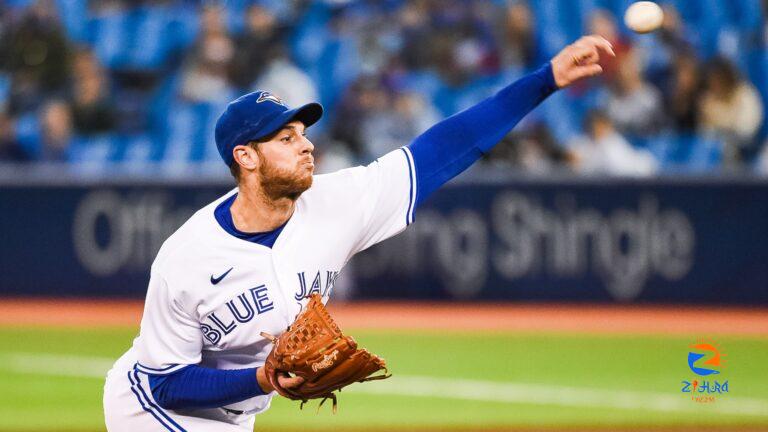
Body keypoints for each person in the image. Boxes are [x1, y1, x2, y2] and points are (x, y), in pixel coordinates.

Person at [103, 35, 614, 431]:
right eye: (285, 138)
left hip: (237, 415)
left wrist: (545, 79)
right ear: (246, 157)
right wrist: (260, 379)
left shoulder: (337, 203)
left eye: (303, 134)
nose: (306, 147)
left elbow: (445, 147)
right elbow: (165, 383)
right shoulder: (186, 257)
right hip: (147, 412)